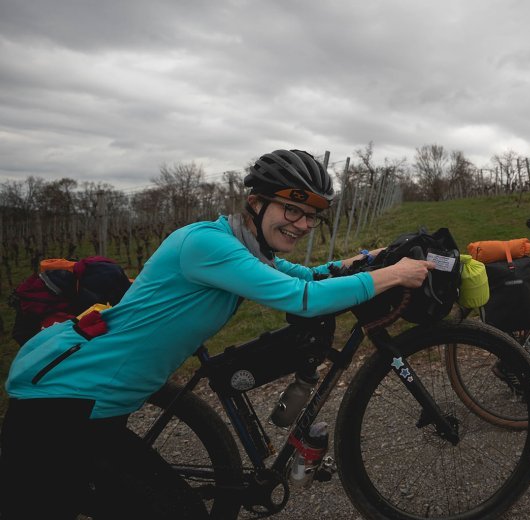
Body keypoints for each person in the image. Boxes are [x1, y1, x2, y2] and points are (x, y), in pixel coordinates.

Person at [0, 149, 435, 520]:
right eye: (292, 209)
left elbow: (310, 274)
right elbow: (303, 297)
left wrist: (371, 258)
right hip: (62, 404)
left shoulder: (245, 247)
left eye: (312, 217)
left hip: (98, 404)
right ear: (256, 203)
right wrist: (394, 275)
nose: (302, 224)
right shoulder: (207, 245)